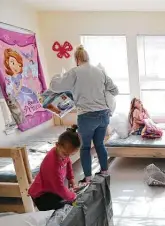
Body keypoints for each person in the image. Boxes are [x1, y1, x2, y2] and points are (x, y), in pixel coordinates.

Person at [50, 45, 119, 183]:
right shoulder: (100, 72)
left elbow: (55, 86)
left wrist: (57, 76)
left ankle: (88, 178)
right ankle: (105, 173)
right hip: (104, 115)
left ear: (76, 59)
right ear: (88, 57)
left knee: (85, 147)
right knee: (100, 144)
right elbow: (115, 90)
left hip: (87, 117)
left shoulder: (75, 72)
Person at [28, 125, 80, 211]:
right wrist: (73, 196)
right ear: (57, 145)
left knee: (67, 201)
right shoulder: (52, 165)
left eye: (70, 154)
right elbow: (59, 187)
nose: (67, 156)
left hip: (51, 189)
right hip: (41, 196)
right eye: (65, 154)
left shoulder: (61, 153)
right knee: (60, 210)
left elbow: (68, 162)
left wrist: (71, 178)